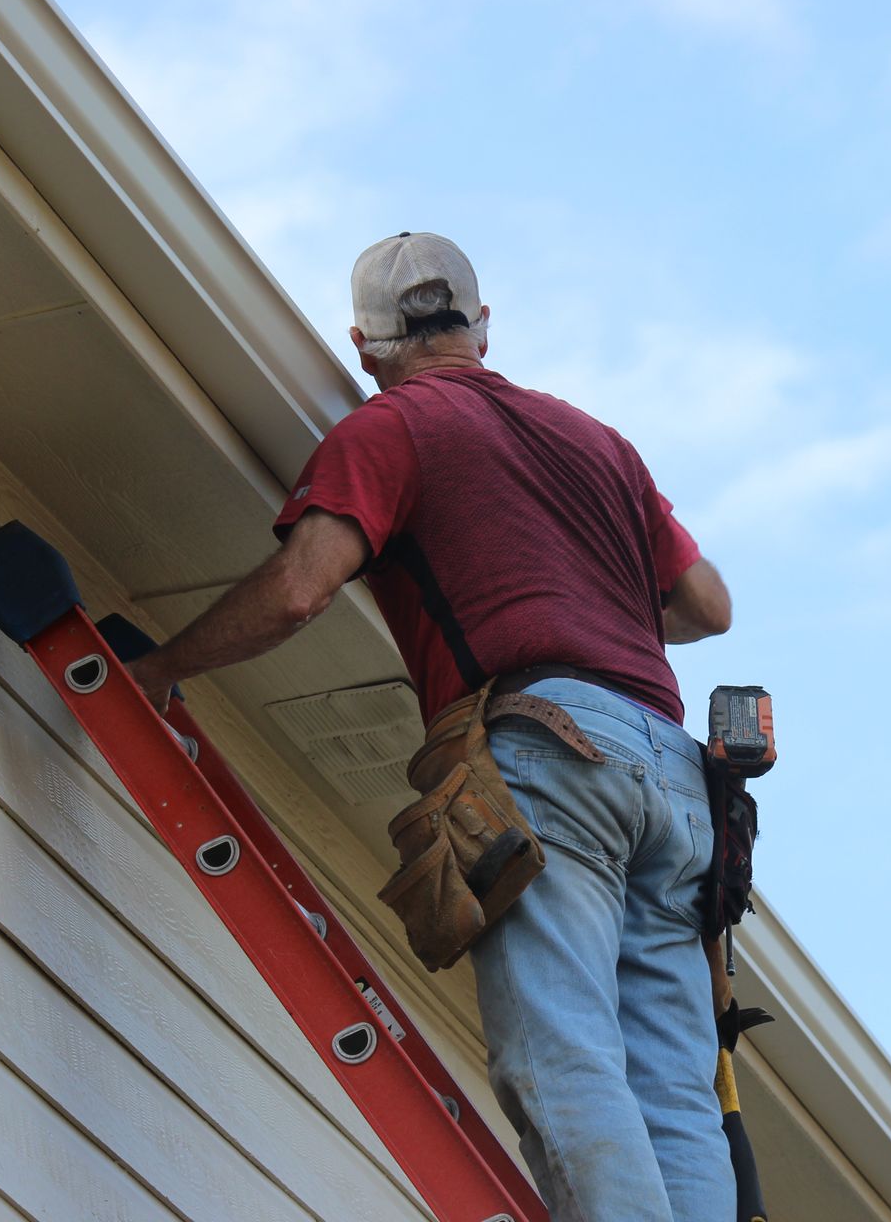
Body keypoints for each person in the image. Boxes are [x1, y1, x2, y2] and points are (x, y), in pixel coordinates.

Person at [127, 231, 736, 1221]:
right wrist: (599, 598)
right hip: (671, 773)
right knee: (673, 1085)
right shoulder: (598, 442)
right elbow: (706, 605)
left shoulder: (393, 427)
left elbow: (297, 590)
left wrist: (159, 667)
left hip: (551, 746)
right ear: (482, 325)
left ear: (363, 343)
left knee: (562, 1053)